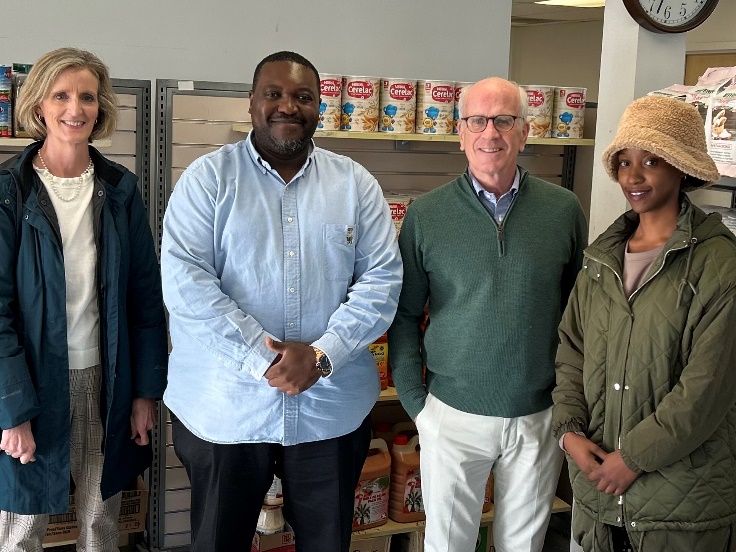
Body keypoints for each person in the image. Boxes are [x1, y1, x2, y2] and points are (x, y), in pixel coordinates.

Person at [161, 50, 402, 552]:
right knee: (215, 542)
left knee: (327, 543)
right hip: (225, 411)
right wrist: (262, 358)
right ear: (251, 102)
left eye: (302, 96)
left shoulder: (355, 184)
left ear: (320, 106)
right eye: (273, 94)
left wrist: (322, 354)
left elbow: (382, 279)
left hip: (329, 411)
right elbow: (186, 284)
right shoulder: (207, 180)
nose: (287, 106)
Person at [388, 77, 587, 552]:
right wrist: (419, 407)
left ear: (524, 131)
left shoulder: (564, 210)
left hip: (537, 415)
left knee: (524, 544)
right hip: (451, 414)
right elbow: (404, 314)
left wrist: (567, 401)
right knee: (448, 543)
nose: (490, 133)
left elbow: (579, 315)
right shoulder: (427, 215)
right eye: (477, 120)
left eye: (503, 120)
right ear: (460, 132)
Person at [0, 47, 168, 552]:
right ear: (39, 106)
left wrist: (144, 395)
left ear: (101, 106)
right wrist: (11, 409)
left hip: (107, 381)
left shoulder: (120, 190)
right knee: (21, 527)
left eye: (88, 96)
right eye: (62, 95)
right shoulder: (9, 192)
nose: (77, 107)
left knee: (101, 523)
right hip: (33, 380)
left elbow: (144, 302)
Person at [552, 95, 736, 552]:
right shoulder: (601, 258)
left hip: (680, 506)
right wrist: (569, 432)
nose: (633, 177)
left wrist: (632, 458)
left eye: (652, 161)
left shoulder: (719, 264)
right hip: (600, 497)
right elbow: (572, 352)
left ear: (681, 168)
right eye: (625, 162)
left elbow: (705, 391)